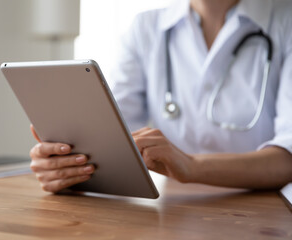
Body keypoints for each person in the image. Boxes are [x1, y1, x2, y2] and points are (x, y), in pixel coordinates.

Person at [29, 0, 292, 193]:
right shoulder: (146, 27)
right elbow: (114, 136)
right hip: (174, 206)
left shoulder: (284, 19)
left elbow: (287, 160)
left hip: (263, 207)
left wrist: (192, 166)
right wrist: (68, 164)